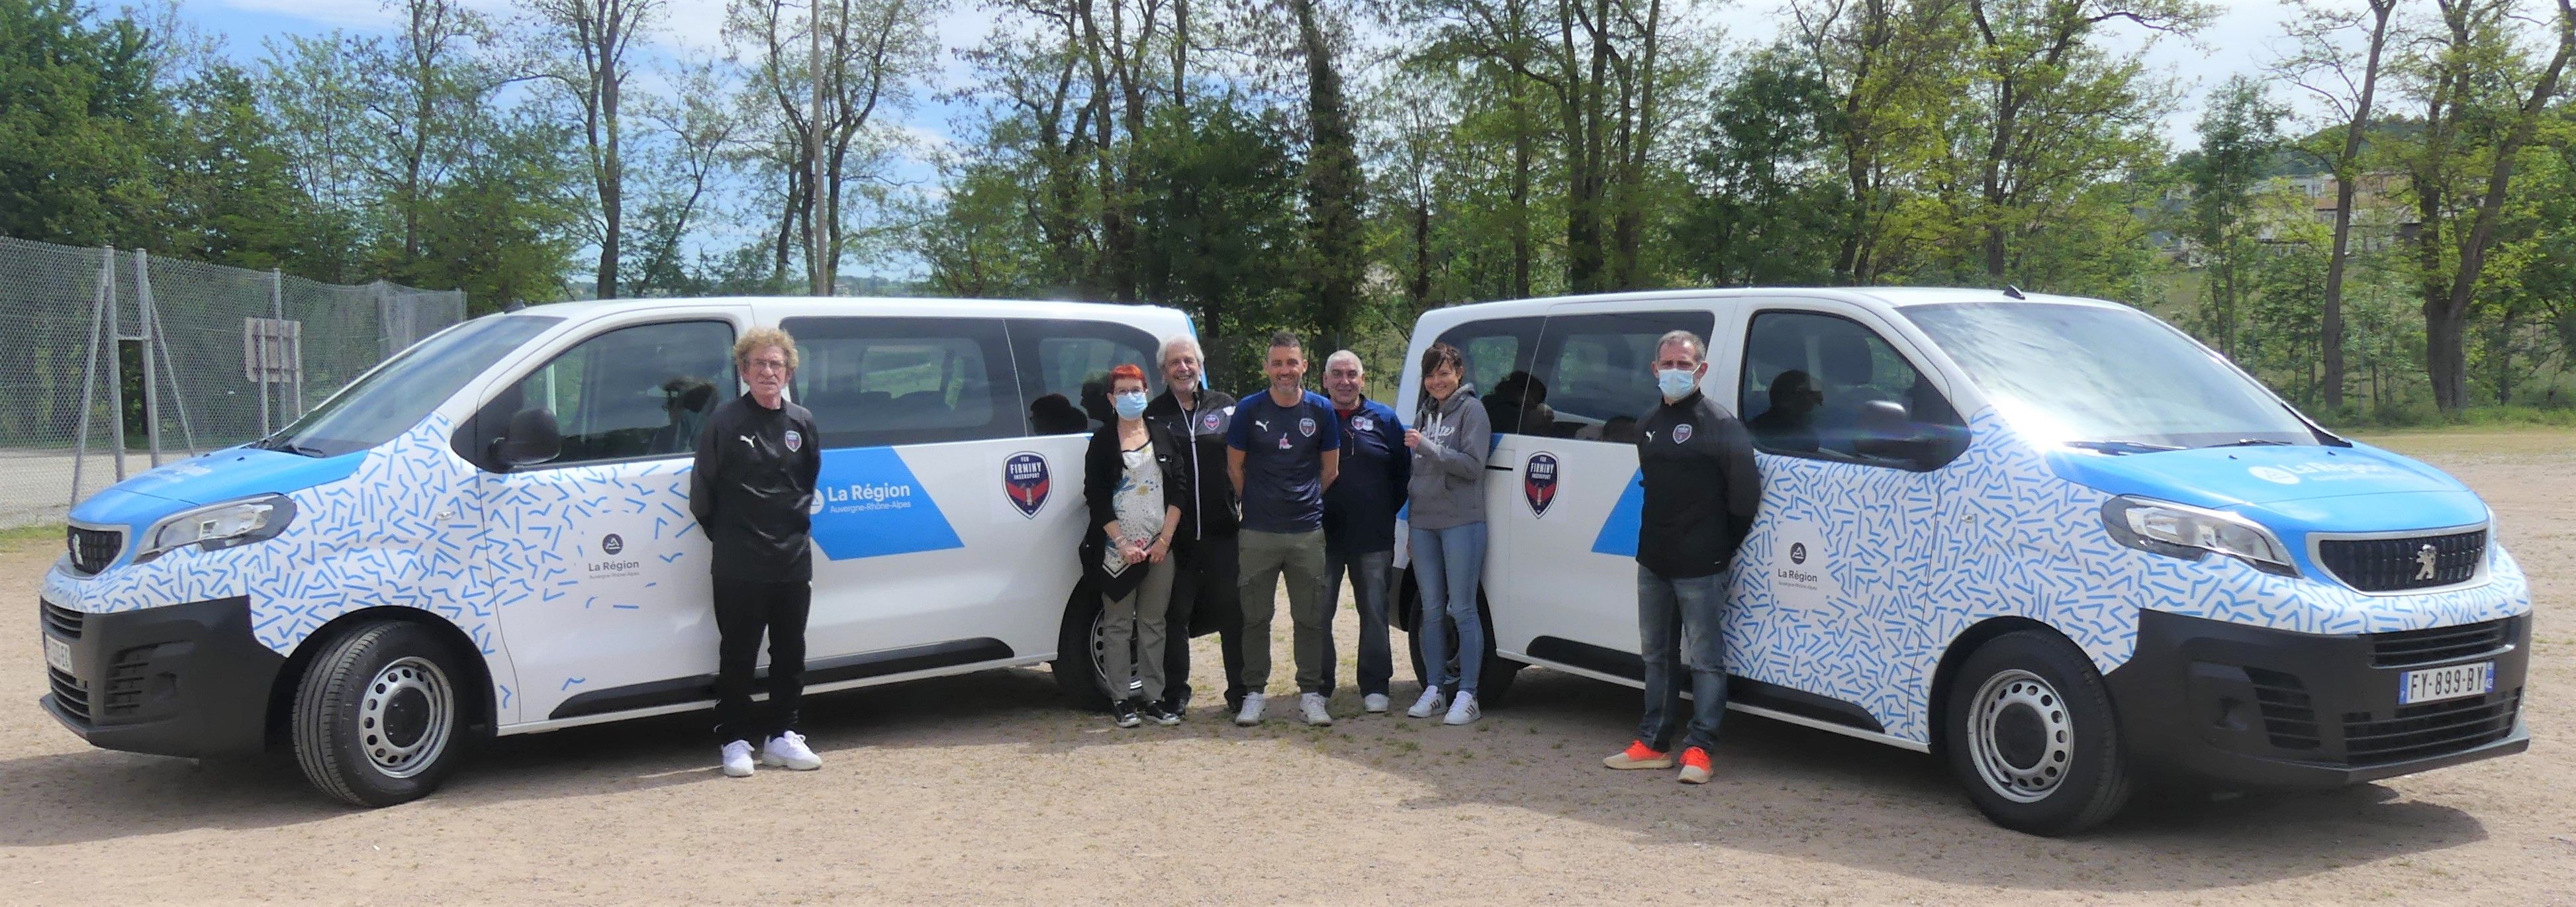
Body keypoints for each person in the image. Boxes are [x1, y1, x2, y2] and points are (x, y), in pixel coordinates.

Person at [1603, 330, 1760, 786]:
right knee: (1656, 656)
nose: (1675, 371)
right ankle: (1652, 743)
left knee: (1707, 660)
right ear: (1654, 370)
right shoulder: (1647, 422)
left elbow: (1745, 497)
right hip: (1653, 558)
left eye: (1684, 363)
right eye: (1667, 364)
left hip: (1701, 563)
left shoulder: (1720, 423)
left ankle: (1700, 748)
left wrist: (1719, 547)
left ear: (1701, 369)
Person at [689, 326, 826, 779]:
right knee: (738, 655)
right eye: (759, 364)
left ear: (789, 372)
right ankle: (734, 740)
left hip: (791, 559)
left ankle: (783, 737)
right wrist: (733, 539)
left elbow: (806, 483)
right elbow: (702, 495)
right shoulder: (725, 422)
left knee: (791, 654)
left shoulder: (802, 422)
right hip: (738, 562)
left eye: (776, 364)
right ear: (744, 370)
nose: (768, 371)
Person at [1225, 330, 1341, 726]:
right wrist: (1257, 502)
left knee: (1310, 617)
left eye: (1292, 362)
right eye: (1277, 363)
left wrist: (1303, 499)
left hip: (1307, 531)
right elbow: (1234, 467)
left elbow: (1331, 470)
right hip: (1258, 531)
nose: (1285, 370)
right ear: (1267, 368)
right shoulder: (1248, 409)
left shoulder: (1322, 410)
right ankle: (1254, 693)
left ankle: (1311, 694)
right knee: (1255, 617)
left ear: (1304, 366)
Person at [1081, 364, 1191, 728]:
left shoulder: (1162, 433)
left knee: (1153, 623)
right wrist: (1122, 543)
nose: (1132, 397)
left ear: (1146, 392)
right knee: (1115, 625)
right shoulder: (1102, 442)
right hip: (1118, 553)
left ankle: (1154, 698)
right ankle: (1120, 699)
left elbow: (1179, 488)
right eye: (1123, 391)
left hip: (1160, 550)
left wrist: (1164, 541)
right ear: (1112, 399)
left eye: (1137, 389)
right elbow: (1095, 499)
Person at [1141, 336, 1245, 717]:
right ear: (1163, 372)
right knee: (1176, 617)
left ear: (1200, 365)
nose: (1182, 368)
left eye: (1189, 361)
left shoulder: (1227, 406)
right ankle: (1176, 694)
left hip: (1223, 531)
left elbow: (1245, 460)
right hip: (1175, 537)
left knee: (1233, 613)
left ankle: (1240, 692)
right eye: (1174, 363)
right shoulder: (1152, 415)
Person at [1402, 342, 1492, 726]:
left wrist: (1428, 447)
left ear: (1459, 374)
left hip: (1461, 522)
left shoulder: (1473, 411)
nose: (1437, 381)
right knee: (1433, 611)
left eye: (1444, 373)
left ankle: (1469, 693)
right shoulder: (1425, 413)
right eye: (1431, 374)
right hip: (1424, 523)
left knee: (1463, 609)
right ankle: (1435, 688)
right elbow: (1416, 473)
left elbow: (1473, 466)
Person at [1318, 350, 1409, 714]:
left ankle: (1375, 685)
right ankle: (1319, 686)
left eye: (1351, 374)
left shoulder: (1385, 419)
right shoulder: (1312, 415)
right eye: (1336, 374)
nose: (1344, 381)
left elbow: (1403, 474)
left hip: (1372, 537)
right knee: (1318, 613)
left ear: (1363, 379)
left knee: (1374, 611)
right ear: (1325, 380)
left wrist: (1381, 509)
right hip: (1320, 536)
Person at [1747, 369, 1823, 453]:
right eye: (1812, 393)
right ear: (1797, 395)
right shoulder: (1763, 434)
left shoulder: (1807, 427)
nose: (1817, 402)